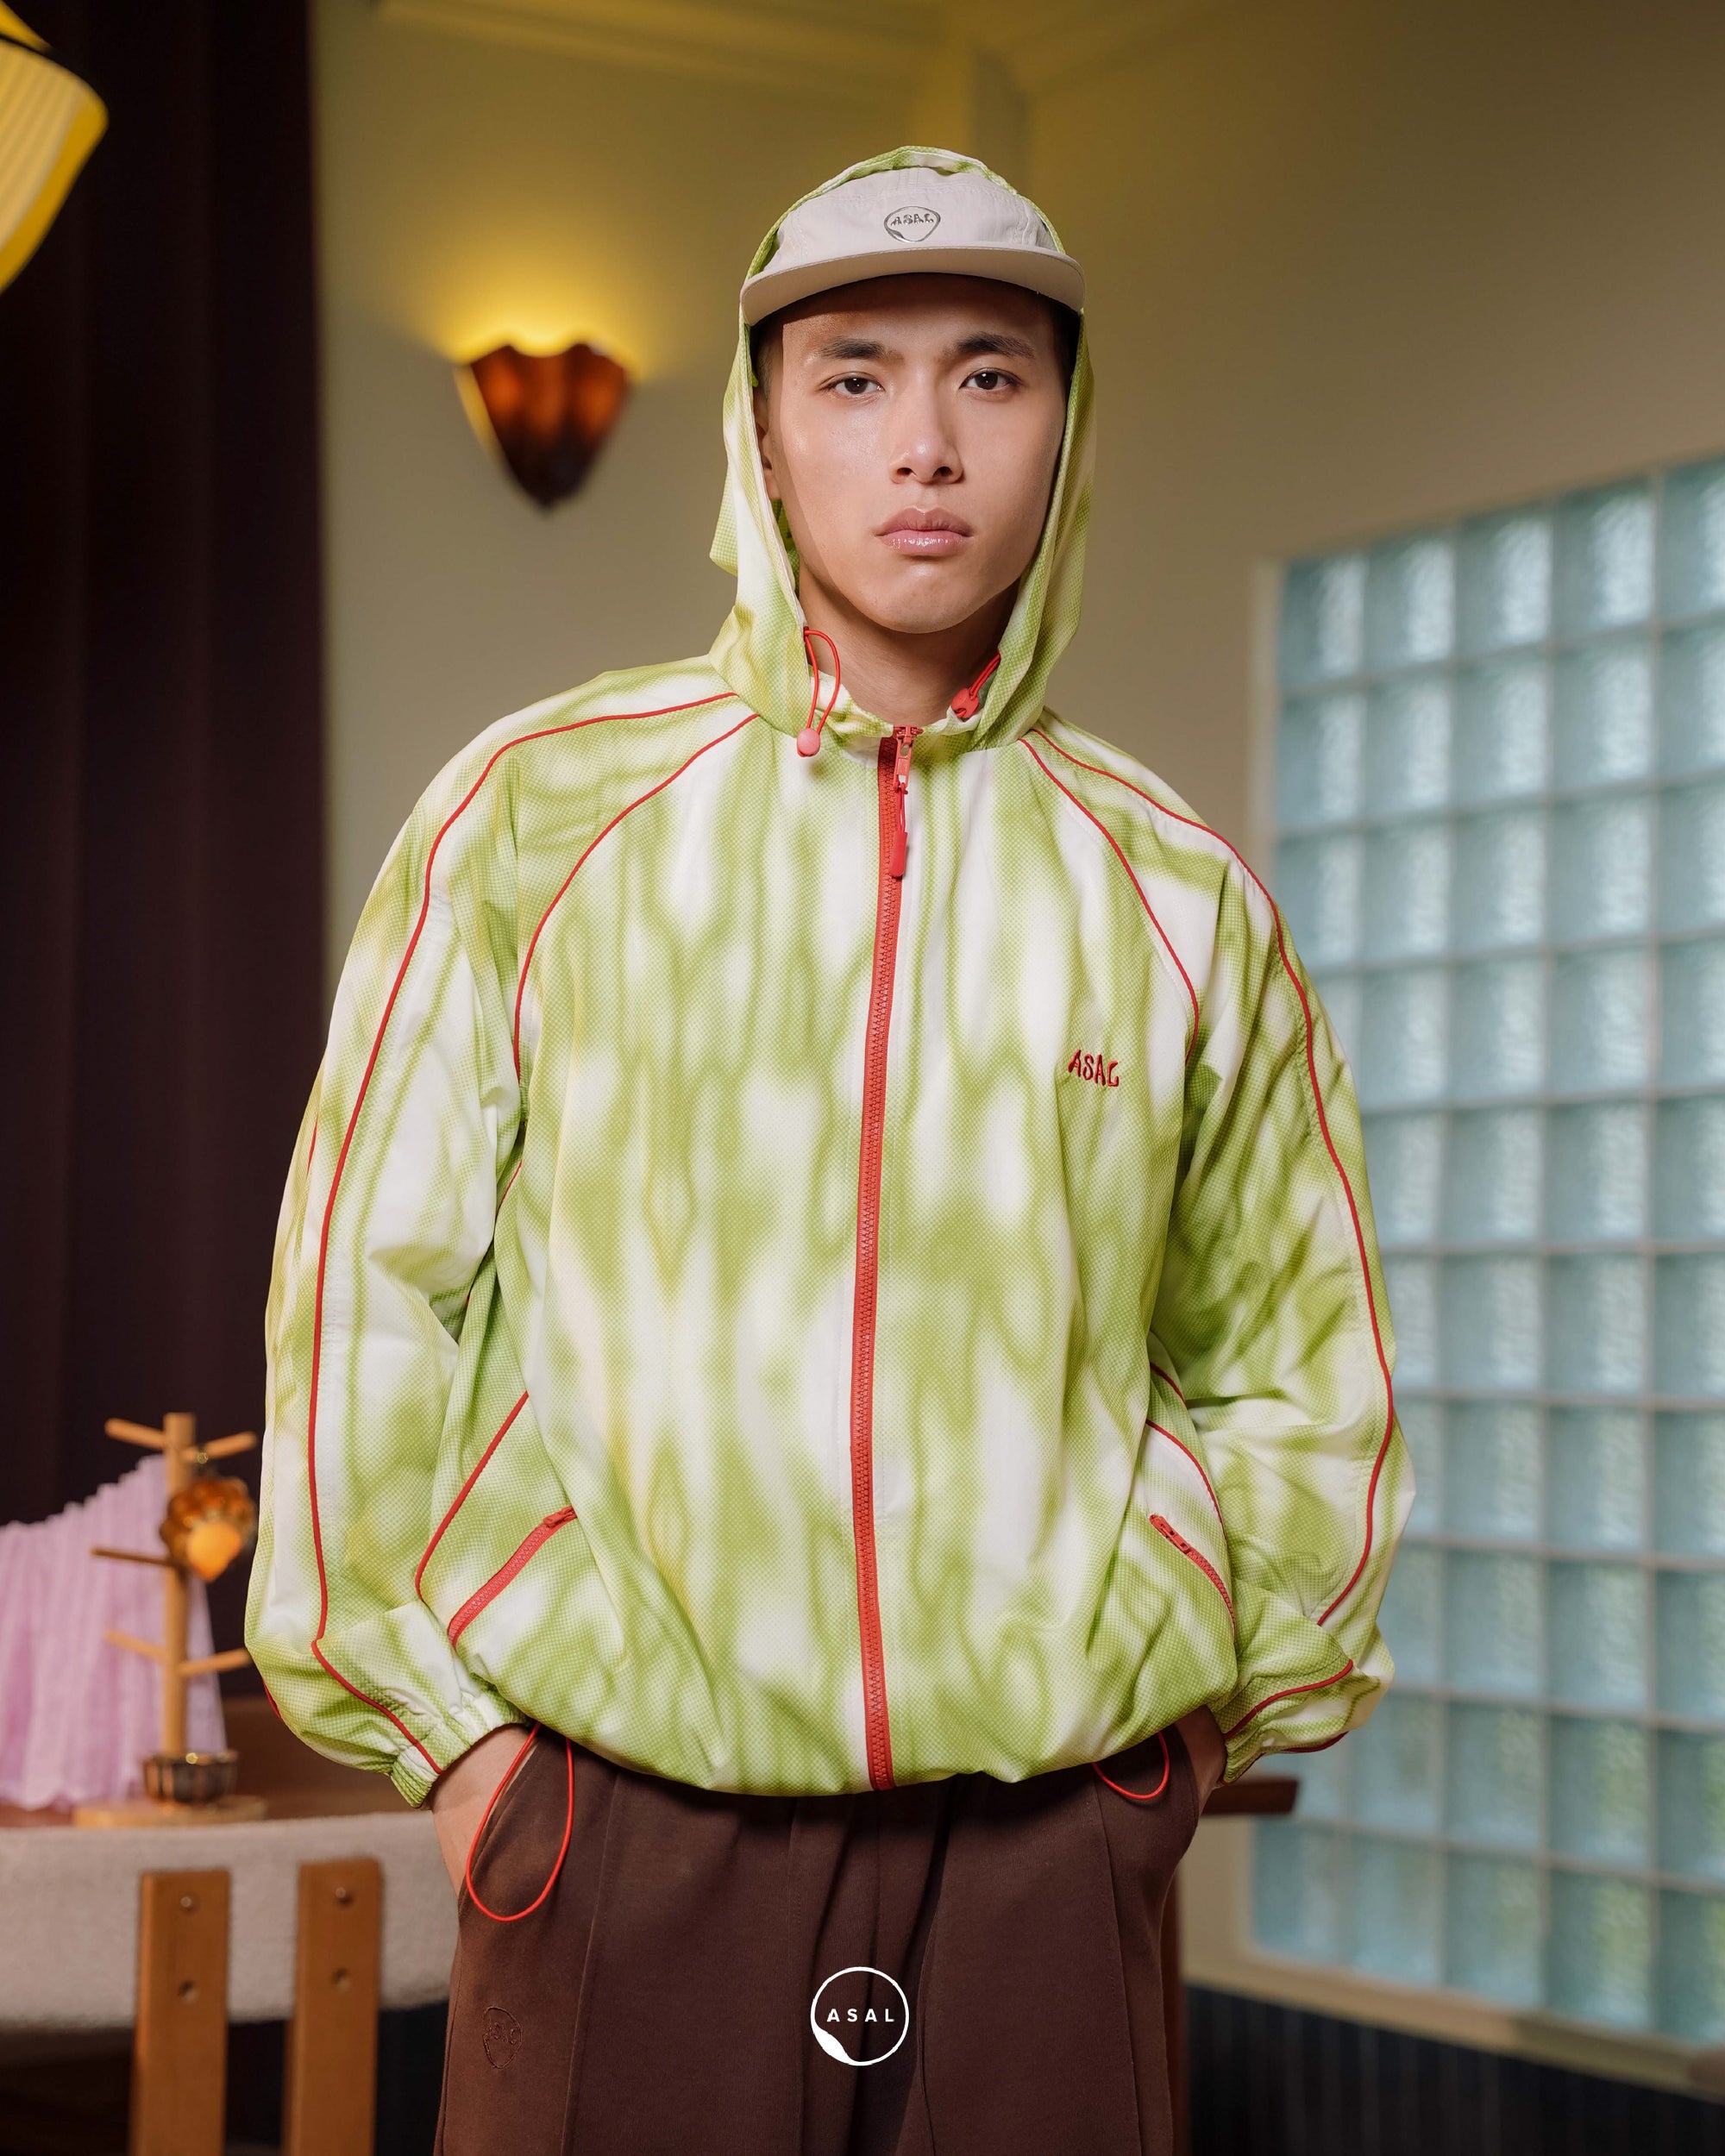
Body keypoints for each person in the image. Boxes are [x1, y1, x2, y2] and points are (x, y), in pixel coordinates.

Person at [248, 147, 1410, 2156]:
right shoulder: (534, 816)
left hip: (1049, 1839)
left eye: (991, 374)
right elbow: (368, 1293)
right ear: (765, 437)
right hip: (614, 1826)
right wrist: (461, 1748)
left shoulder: (1175, 889)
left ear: (1065, 431)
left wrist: (1183, 1743)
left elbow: (1299, 1359)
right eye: (854, 376)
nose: (924, 441)